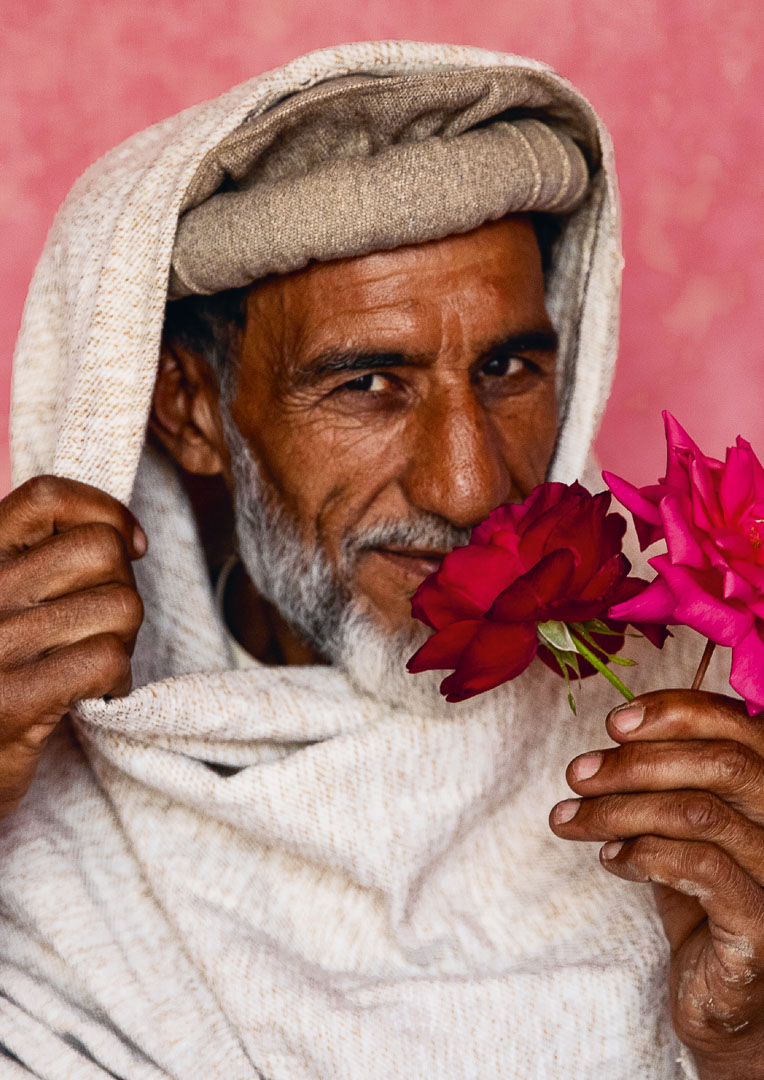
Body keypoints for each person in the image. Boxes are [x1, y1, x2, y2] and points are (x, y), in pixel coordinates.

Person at [0, 40, 762, 1080]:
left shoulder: (701, 720)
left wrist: (742, 1041)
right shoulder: (43, 792)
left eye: (507, 367)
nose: (467, 487)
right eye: (367, 383)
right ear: (189, 409)